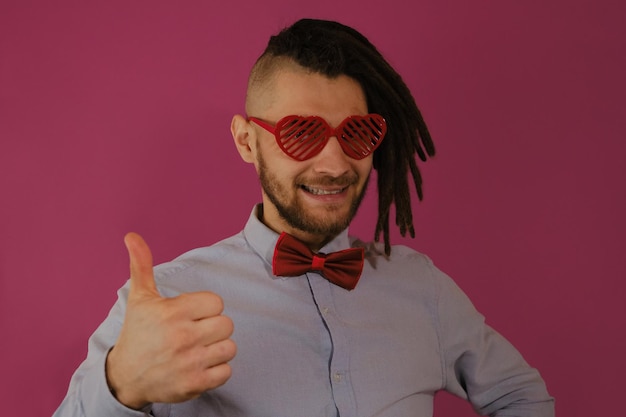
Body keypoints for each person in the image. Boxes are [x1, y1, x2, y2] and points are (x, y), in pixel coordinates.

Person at [54, 18, 554, 417]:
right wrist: (120, 386)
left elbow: (521, 397)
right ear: (247, 141)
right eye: (301, 133)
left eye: (356, 133)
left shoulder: (424, 290)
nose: (336, 165)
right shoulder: (164, 303)